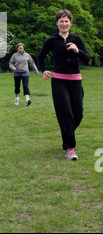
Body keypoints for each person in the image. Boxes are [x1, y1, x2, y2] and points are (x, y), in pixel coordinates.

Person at [37, 9, 91, 161]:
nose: (64, 23)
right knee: (65, 113)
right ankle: (70, 149)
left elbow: (87, 58)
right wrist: (44, 70)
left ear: (70, 23)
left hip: (75, 79)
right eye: (61, 21)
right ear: (57, 23)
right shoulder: (51, 40)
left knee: (78, 114)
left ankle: (67, 134)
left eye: (66, 21)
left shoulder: (77, 39)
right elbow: (40, 57)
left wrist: (77, 50)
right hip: (59, 80)